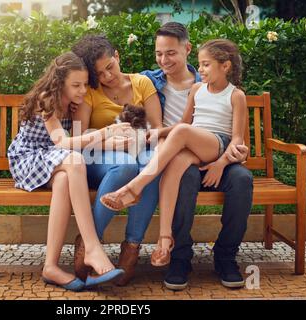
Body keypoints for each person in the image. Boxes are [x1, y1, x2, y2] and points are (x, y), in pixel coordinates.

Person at [103, 23, 253, 290]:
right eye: (159, 54)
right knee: (179, 173)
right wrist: (152, 135)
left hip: (219, 153)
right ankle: (171, 249)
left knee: (242, 180)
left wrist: (221, 163)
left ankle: (226, 256)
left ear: (187, 49)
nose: (163, 60)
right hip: (184, 150)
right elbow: (182, 124)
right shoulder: (152, 81)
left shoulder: (225, 90)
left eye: (170, 53)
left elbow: (237, 141)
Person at [7, 52, 127, 291]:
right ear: (59, 82)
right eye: (76, 85)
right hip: (28, 159)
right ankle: (92, 246)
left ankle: (50, 266)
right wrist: (104, 134)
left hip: (53, 161)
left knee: (64, 179)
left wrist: (109, 143)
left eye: (84, 84)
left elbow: (78, 141)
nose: (82, 90)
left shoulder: (73, 101)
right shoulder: (46, 100)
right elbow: (62, 142)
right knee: (73, 162)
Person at [71, 35, 163, 286]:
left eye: (110, 67)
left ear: (118, 56)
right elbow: (78, 137)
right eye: (99, 73)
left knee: (151, 166)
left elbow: (158, 131)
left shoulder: (142, 83)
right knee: (125, 164)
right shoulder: (90, 91)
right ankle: (90, 243)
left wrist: (138, 138)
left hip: (140, 147)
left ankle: (131, 247)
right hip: (96, 158)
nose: (108, 76)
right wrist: (110, 142)